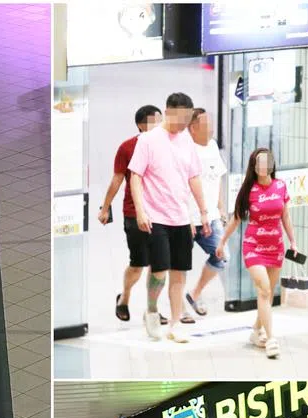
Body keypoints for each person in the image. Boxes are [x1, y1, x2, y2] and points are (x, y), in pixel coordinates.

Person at [127, 92, 211, 343]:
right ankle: (152, 311)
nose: (185, 124)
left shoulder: (186, 140)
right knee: (160, 271)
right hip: (156, 217)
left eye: (188, 118)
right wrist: (141, 210)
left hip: (181, 217)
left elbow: (194, 177)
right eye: (182, 118)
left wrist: (203, 212)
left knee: (179, 273)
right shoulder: (149, 140)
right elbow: (135, 176)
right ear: (168, 111)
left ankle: (175, 324)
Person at [98, 105, 179, 327]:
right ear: (141, 125)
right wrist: (105, 208)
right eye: (155, 121)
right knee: (139, 263)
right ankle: (124, 297)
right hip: (134, 214)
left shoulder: (170, 144)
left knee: (159, 265)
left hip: (162, 214)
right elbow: (117, 179)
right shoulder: (127, 148)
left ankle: (152, 310)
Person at [217, 148, 297, 359]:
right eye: (259, 163)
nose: (264, 166)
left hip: (276, 246)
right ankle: (270, 339)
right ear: (254, 167)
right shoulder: (248, 190)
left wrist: (293, 241)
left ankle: (255, 330)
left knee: (268, 293)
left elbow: (285, 216)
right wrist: (222, 241)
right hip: (254, 246)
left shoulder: (280, 186)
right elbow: (236, 218)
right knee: (263, 290)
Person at [183, 108, 230, 318]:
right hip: (186, 219)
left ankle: (194, 294)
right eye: (206, 125)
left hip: (210, 217)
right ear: (193, 128)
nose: (211, 129)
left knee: (222, 256)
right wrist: (186, 216)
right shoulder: (184, 150)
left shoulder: (212, 146)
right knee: (178, 265)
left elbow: (217, 177)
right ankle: (175, 309)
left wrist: (221, 208)